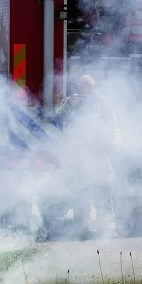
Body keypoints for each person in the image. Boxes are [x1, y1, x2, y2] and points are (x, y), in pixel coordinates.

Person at [53, 74, 121, 237]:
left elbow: (113, 124)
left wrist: (112, 143)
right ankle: (81, 226)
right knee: (81, 190)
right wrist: (68, 103)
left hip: (98, 152)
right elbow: (58, 115)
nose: (84, 90)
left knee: (103, 188)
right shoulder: (72, 101)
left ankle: (105, 226)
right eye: (82, 87)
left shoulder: (103, 102)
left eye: (87, 87)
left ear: (92, 87)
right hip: (80, 153)